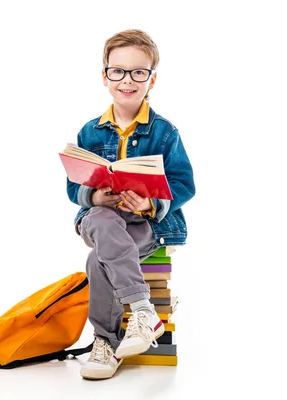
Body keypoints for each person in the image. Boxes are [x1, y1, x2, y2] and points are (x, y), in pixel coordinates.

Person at [66, 29, 196, 380]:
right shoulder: (90, 132)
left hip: (145, 225)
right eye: (118, 71)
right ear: (105, 75)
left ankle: (105, 342)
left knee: (99, 259)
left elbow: (184, 183)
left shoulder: (165, 132)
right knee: (101, 219)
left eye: (139, 72)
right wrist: (94, 196)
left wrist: (151, 202)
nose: (128, 79)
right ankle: (144, 311)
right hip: (102, 218)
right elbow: (73, 183)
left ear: (152, 79)